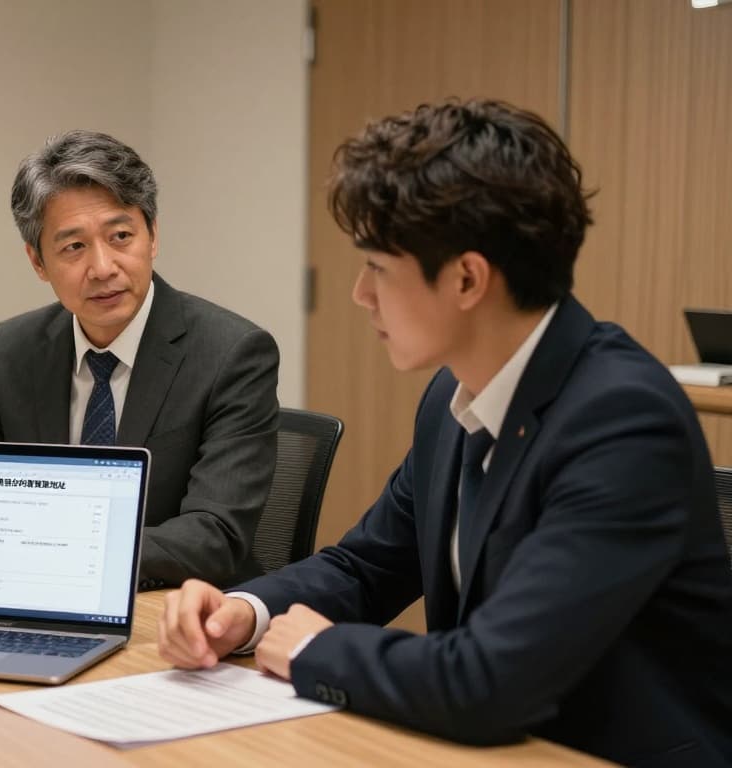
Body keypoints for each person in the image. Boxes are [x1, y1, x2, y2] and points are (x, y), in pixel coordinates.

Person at [157, 99, 732, 766]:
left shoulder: (623, 420)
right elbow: (368, 566)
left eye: (376, 267)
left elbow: (492, 681)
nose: (359, 295)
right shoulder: (454, 396)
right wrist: (246, 612)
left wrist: (318, 650)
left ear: (466, 278)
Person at [0, 129, 280, 590]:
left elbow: (216, 535)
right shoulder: (13, 349)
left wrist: (59, 552)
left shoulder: (232, 353)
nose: (103, 267)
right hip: (37, 595)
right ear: (37, 262)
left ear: (153, 237)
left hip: (175, 612)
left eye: (121, 236)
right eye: (73, 247)